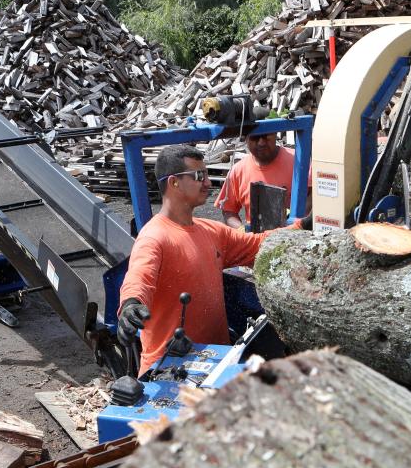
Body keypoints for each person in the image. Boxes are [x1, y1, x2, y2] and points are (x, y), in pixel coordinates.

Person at [117, 145, 309, 376]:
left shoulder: (211, 232)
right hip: (168, 369)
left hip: (214, 363)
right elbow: (140, 276)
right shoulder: (154, 236)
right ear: (173, 182)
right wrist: (131, 304)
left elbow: (258, 244)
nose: (208, 183)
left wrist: (303, 226)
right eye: (199, 176)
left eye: (207, 175)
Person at [214, 131, 296, 229]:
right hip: (257, 239)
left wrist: (294, 221)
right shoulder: (237, 171)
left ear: (275, 134)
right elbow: (228, 211)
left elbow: (313, 197)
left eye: (266, 136)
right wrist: (242, 230)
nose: (261, 143)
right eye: (255, 138)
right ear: (246, 139)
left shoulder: (297, 161)